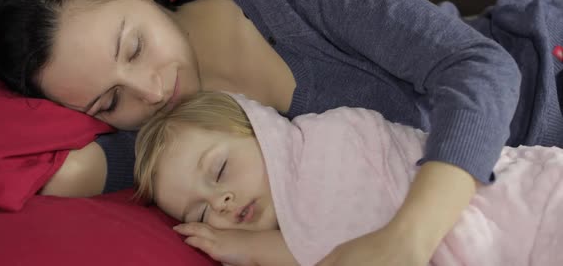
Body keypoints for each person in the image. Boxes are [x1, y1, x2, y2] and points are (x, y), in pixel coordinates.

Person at [0, 0, 562, 264]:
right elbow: (39, 166)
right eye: (108, 101)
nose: (151, 90)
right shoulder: (167, 141)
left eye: (134, 46)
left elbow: (478, 68)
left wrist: (405, 238)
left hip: (544, 84)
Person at [134, 91, 563, 266]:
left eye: (220, 170)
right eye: (203, 211)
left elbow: (361, 234)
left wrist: (254, 248)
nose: (223, 201)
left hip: (532, 204)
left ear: (257, 128)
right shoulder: (297, 219)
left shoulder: (332, 139)